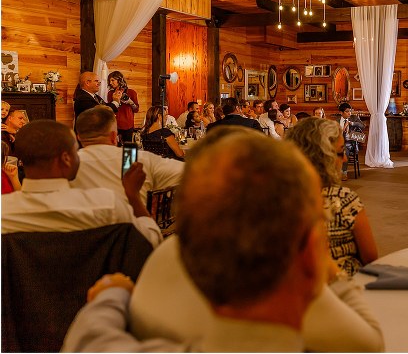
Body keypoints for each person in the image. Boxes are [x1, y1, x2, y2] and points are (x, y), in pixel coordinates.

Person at [62, 127, 349, 352]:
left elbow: (90, 338)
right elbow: (367, 342)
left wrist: (111, 298)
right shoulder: (132, 159)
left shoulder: (166, 263)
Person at [1, 120, 161, 247]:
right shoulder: (106, 205)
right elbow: (149, 241)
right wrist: (133, 197)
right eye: (76, 150)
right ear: (66, 159)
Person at [287, 117, 379, 275]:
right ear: (323, 156)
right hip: (344, 284)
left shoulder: (275, 200)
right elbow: (370, 258)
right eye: (340, 152)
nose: (344, 159)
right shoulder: (343, 200)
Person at [72, 106, 183, 205]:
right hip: (130, 223)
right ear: (114, 136)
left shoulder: (68, 164)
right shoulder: (132, 158)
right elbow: (185, 172)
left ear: (78, 137)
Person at [106, 71, 139, 144]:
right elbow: (111, 109)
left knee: (128, 150)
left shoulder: (131, 92)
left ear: (119, 80)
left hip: (128, 125)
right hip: (115, 125)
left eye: (112, 80)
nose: (110, 83)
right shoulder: (110, 93)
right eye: (109, 81)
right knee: (115, 149)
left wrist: (131, 102)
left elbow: (136, 109)